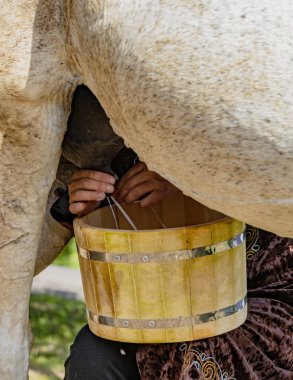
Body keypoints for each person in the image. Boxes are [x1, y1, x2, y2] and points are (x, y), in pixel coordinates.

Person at [64, 160, 182, 380]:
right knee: (92, 353)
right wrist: (92, 208)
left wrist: (188, 183)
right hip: (137, 310)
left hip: (246, 292)